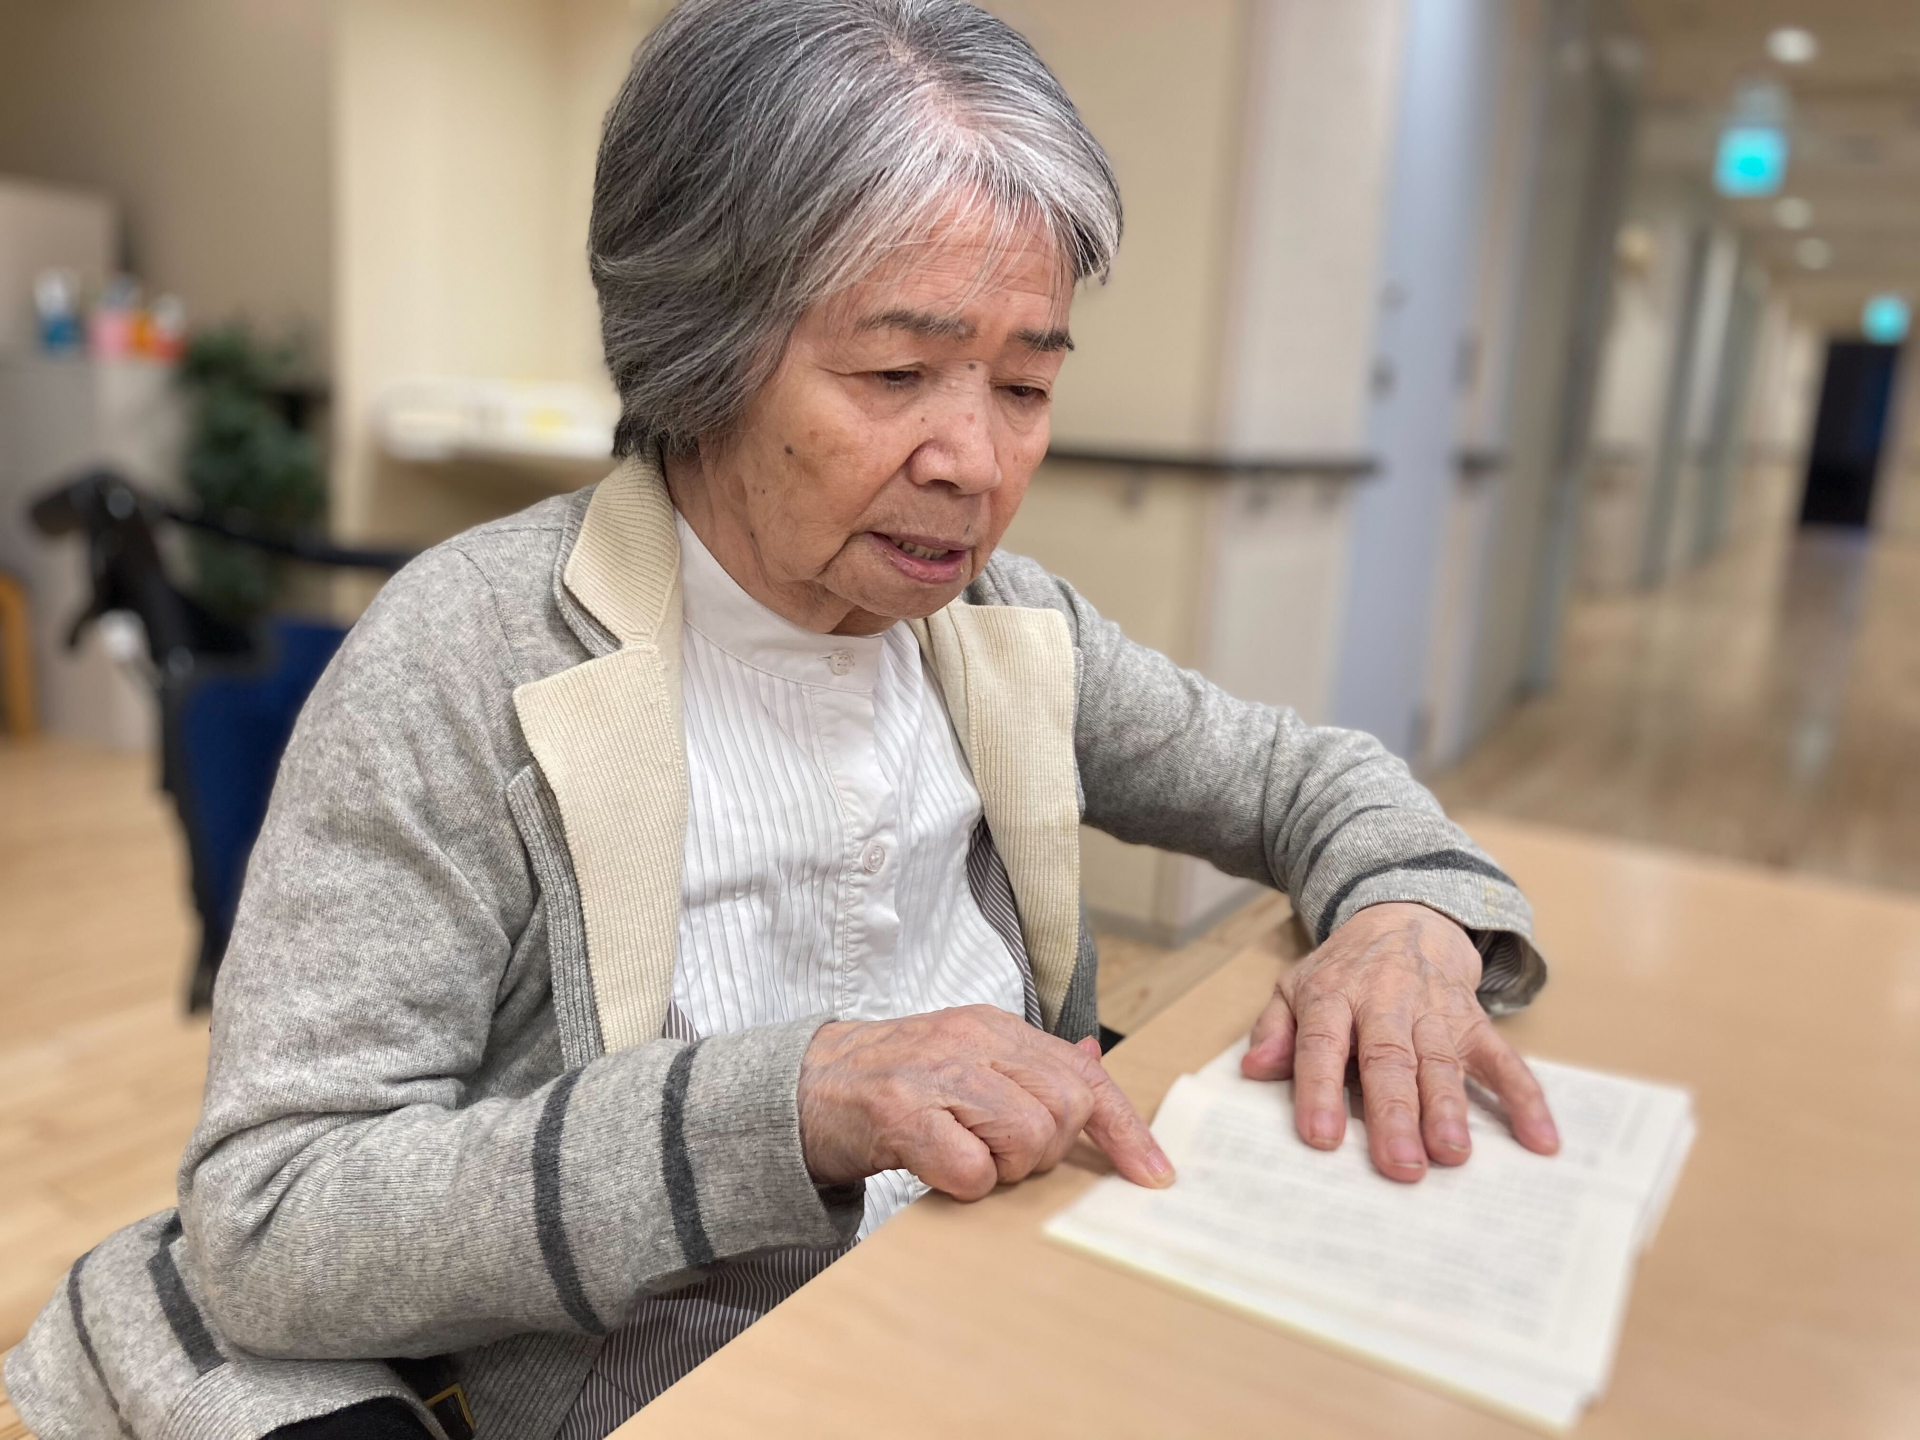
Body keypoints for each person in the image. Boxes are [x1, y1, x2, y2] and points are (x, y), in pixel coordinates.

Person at [4, 1, 1557, 1436]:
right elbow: (274, 1220)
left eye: (1025, 389)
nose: (976, 463)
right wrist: (793, 1105)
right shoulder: (467, 661)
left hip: (998, 1312)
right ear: (700, 353)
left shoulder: (1008, 631)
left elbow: (1305, 779)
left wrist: (1404, 923)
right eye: (896, 371)